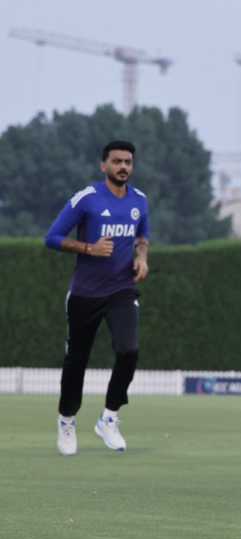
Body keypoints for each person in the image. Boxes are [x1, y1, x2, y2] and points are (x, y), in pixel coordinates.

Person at [44, 140, 150, 456]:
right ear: (103, 165)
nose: (123, 167)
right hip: (85, 294)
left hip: (121, 289)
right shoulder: (87, 198)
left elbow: (142, 233)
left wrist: (142, 255)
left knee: (129, 351)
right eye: (117, 161)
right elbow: (52, 237)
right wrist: (88, 248)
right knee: (77, 360)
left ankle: (109, 417)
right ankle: (66, 421)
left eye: (128, 161)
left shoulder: (140, 200)